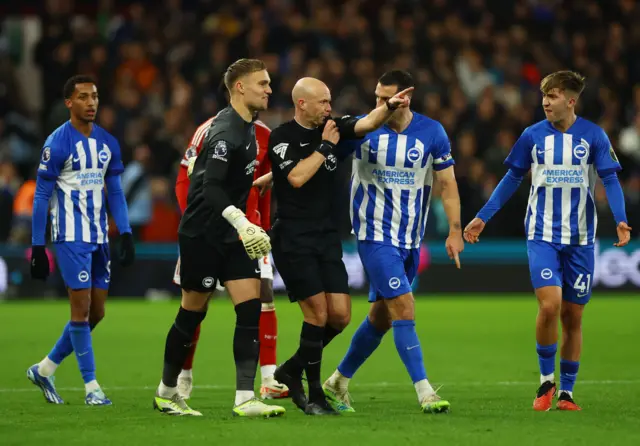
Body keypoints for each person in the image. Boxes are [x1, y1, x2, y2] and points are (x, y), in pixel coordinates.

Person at [463, 70, 631, 411]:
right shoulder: (532, 136)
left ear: (570, 101)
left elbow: (610, 179)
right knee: (550, 306)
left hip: (581, 239)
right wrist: (483, 215)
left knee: (573, 316)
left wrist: (621, 219)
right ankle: (545, 381)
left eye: (552, 96)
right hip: (541, 235)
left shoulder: (594, 136)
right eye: (543, 96)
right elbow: (512, 177)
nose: (544, 102)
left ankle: (567, 392)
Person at [264, 76, 413, 415]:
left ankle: (290, 369)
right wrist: (326, 148)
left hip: (327, 236)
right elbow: (297, 178)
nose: (329, 108)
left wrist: (388, 107)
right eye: (323, 102)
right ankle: (315, 394)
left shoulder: (334, 126)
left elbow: (367, 121)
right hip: (294, 238)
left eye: (330, 101)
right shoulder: (283, 137)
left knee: (341, 317)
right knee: (317, 315)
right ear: (302, 104)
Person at [322, 70, 464, 414]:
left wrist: (455, 230)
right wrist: (276, 176)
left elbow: (447, 184)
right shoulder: (362, 129)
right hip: (374, 235)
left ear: (407, 97)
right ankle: (425, 391)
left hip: (410, 239)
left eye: (387, 99)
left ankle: (337, 382)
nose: (379, 105)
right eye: (376, 98)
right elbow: (318, 157)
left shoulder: (432, 132)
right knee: (404, 306)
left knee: (381, 318)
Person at [153, 58, 285, 418]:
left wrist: (249, 222)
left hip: (233, 235)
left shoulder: (251, 129)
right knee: (191, 314)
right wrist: (242, 222)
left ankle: (245, 397)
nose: (269, 89)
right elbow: (210, 188)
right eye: (263, 83)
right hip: (202, 235)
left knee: (250, 309)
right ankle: (166, 392)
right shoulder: (225, 132)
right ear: (240, 87)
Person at [27, 75, 135, 406]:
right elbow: (41, 195)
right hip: (69, 236)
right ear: (69, 103)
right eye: (83, 97)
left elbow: (115, 190)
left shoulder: (107, 143)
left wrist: (126, 231)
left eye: (95, 97)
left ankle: (44, 369)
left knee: (96, 313)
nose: (91, 103)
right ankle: (92, 388)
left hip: (99, 236)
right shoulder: (57, 142)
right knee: (81, 308)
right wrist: (37, 246)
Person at [173, 115, 288, 400]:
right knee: (196, 305)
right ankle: (183, 376)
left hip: (246, 231)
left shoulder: (265, 135)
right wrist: (194, 221)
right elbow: (183, 179)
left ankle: (269, 377)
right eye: (261, 84)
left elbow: (263, 185)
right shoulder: (208, 130)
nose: (267, 91)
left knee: (263, 295)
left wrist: (261, 224)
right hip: (207, 230)